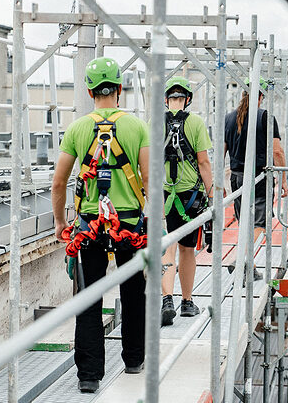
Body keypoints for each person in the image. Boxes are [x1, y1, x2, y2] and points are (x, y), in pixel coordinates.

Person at [52, 57, 150, 393]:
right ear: (119, 89)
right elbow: (150, 178)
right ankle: (134, 359)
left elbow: (59, 182)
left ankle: (89, 376)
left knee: (90, 297)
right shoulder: (137, 127)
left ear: (90, 91)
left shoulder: (79, 128)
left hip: (91, 226)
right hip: (129, 225)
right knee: (134, 292)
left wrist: (60, 222)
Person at [160, 76, 213, 326]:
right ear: (188, 100)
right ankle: (187, 302)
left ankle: (167, 299)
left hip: (163, 195)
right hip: (190, 196)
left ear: (166, 99)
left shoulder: (154, 123)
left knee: (167, 247)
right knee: (187, 249)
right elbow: (203, 162)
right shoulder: (196, 123)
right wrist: (212, 194)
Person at [224, 77, 287, 279]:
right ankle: (241, 259)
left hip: (236, 179)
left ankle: (249, 267)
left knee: (244, 223)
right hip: (258, 179)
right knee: (259, 225)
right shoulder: (265, 117)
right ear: (261, 97)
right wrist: (283, 179)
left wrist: (218, 183)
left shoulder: (228, 118)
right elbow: (277, 152)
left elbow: (221, 152)